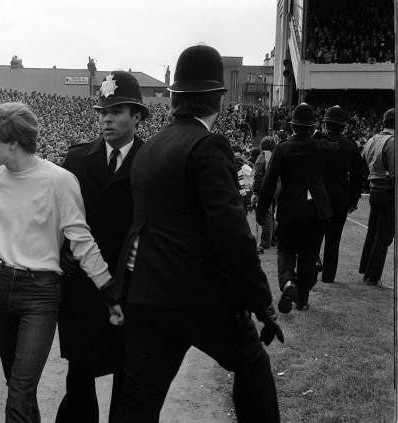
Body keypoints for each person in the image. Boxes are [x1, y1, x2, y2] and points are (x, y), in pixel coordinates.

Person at [110, 45, 282, 423]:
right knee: (251, 363)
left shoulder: (151, 146)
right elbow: (232, 233)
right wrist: (261, 301)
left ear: (176, 98)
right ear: (218, 98)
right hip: (194, 295)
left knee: (139, 400)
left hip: (145, 291)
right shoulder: (208, 145)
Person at [0, 101, 123, 423]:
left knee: (19, 392)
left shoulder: (60, 180)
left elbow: (81, 240)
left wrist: (108, 287)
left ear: (13, 143)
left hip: (40, 293)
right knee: (17, 388)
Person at [55, 71, 148, 423]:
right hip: (82, 286)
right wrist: (63, 253)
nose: (107, 119)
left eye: (117, 112)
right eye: (103, 112)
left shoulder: (151, 160)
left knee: (129, 375)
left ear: (137, 116)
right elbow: (59, 216)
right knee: (79, 375)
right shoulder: (77, 159)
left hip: (131, 286)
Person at [257, 103, 333, 312]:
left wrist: (261, 210)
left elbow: (269, 182)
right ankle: (303, 299)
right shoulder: (323, 147)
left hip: (290, 209)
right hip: (317, 210)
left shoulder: (283, 149)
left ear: (292, 126)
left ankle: (289, 282)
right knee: (309, 253)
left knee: (286, 251)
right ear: (312, 127)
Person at [317, 106, 363, 283]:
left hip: (318, 197)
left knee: (314, 236)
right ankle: (328, 276)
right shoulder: (351, 146)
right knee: (333, 240)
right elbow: (358, 177)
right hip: (340, 198)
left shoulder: (317, 143)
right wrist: (353, 200)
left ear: (326, 124)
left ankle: (311, 269)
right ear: (343, 127)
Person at [359, 108, 395, 286]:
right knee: (385, 235)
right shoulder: (392, 142)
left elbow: (362, 162)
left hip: (374, 188)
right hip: (387, 190)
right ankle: (373, 276)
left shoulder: (372, 139)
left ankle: (366, 269)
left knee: (373, 231)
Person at [251, 136, 277, 252]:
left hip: (265, 190)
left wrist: (255, 191)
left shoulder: (262, 157)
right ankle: (274, 239)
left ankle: (265, 242)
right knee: (271, 216)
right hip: (276, 189)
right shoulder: (274, 155)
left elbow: (258, 177)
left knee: (266, 214)